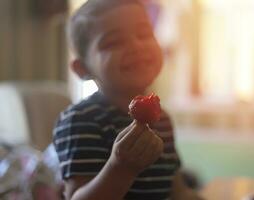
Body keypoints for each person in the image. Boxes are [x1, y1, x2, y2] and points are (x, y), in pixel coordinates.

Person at [53, 0, 202, 199]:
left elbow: (176, 191)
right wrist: (120, 167)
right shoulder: (80, 121)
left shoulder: (162, 120)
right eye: (113, 42)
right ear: (83, 69)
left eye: (144, 34)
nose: (136, 46)